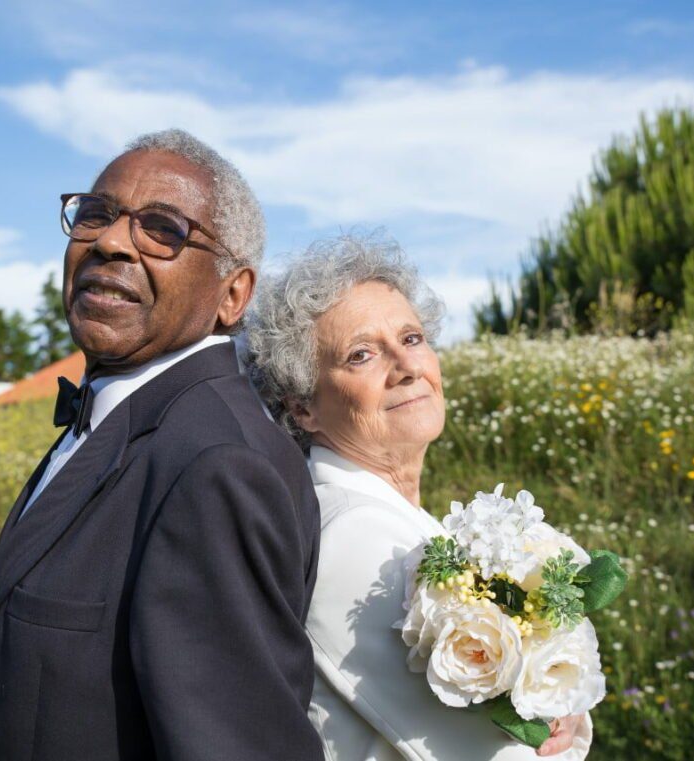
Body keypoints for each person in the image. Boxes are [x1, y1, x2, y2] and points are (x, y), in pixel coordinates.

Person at [0, 129, 324, 761]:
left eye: (162, 228)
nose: (108, 240)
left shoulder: (218, 465)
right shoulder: (114, 416)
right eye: (95, 214)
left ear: (233, 295)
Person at [247, 232, 593, 761]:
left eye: (411, 339)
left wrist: (560, 706)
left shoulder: (390, 517)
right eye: (361, 354)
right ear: (302, 409)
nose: (406, 366)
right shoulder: (355, 534)